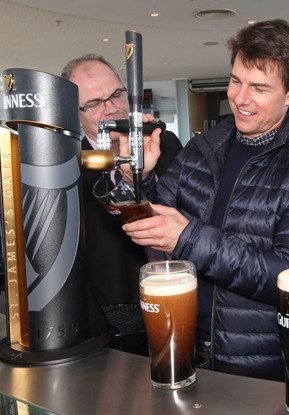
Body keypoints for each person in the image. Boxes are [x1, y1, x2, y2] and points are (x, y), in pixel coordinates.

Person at [122, 19, 289, 380]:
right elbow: (154, 222)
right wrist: (140, 176)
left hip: (252, 362)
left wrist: (187, 236)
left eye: (259, 87)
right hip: (181, 343)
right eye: (236, 80)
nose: (239, 97)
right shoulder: (204, 147)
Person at [61, 54, 183, 306]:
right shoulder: (68, 167)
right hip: (112, 309)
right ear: (75, 113)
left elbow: (189, 215)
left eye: (116, 94)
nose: (111, 108)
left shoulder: (166, 143)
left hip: (176, 288)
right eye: (94, 103)